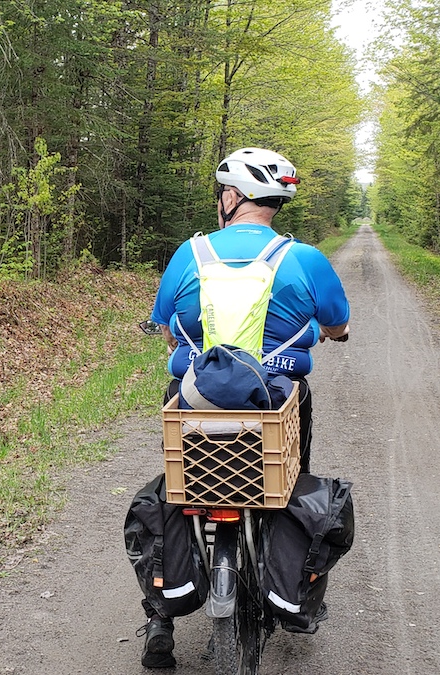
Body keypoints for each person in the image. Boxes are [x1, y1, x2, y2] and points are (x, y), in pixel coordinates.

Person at [138, 147, 350, 669]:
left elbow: (165, 327)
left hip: (195, 400)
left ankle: (160, 617)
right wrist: (323, 332)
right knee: (286, 477)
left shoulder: (190, 254)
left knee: (178, 484)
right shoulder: (303, 258)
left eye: (221, 194)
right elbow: (338, 325)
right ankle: (286, 581)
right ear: (273, 202)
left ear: (232, 198)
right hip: (274, 403)